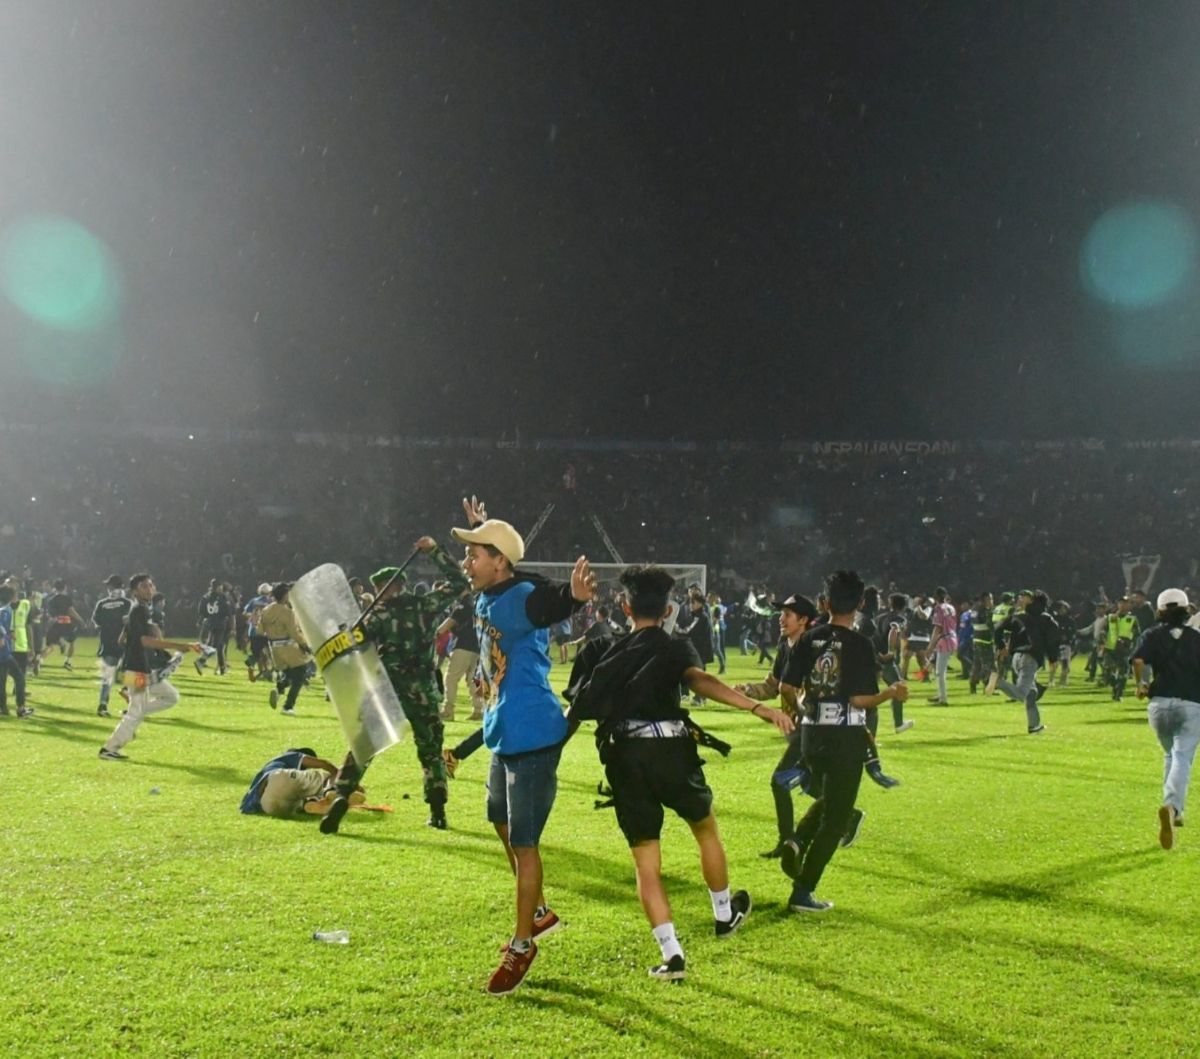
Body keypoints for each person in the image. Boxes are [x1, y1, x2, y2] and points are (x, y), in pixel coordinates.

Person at [564, 565, 793, 981]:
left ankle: (672, 955)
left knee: (646, 860)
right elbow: (701, 681)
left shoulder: (600, 649)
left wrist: (543, 755)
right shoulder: (674, 647)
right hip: (672, 750)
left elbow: (575, 712)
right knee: (705, 830)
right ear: (669, 608)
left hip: (624, 757)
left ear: (624, 605)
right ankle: (724, 915)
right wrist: (758, 708)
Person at [452, 495, 594, 996]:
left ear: (499, 562)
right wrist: (481, 530)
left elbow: (544, 598)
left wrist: (573, 598)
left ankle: (522, 944)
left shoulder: (521, 596)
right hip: (502, 730)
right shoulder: (492, 591)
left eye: (474, 554)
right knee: (499, 819)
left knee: (524, 844)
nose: (466, 562)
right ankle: (536, 910)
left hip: (532, 733)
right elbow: (513, 576)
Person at [780, 570, 909, 912]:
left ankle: (795, 840)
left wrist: (799, 713)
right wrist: (891, 693)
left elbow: (786, 688)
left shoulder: (809, 639)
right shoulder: (860, 645)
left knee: (828, 799)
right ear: (862, 603)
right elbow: (859, 700)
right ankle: (802, 892)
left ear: (824, 602)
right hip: (845, 737)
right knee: (836, 818)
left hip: (811, 734)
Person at [321, 538, 469, 833]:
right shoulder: (426, 605)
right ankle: (437, 810)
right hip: (424, 690)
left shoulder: (375, 616)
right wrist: (434, 551)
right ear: (402, 585)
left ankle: (341, 795)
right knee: (430, 749)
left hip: (385, 691)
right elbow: (458, 581)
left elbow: (351, 653)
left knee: (364, 746)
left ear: (381, 589)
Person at [736, 593, 820, 857]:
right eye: (781, 614)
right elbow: (773, 686)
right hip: (795, 728)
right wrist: (747, 689)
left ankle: (787, 842)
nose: (780, 619)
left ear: (804, 620)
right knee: (812, 785)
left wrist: (801, 711)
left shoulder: (814, 648)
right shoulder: (786, 646)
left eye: (787, 614)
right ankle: (848, 816)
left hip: (812, 728)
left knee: (779, 781)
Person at [99, 573, 203, 761]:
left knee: (171, 697)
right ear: (135, 591)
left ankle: (131, 715)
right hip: (135, 669)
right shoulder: (139, 610)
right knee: (136, 711)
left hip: (140, 668)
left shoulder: (139, 610)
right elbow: (145, 641)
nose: (150, 588)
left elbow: (122, 639)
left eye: (151, 585)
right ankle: (109, 748)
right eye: (145, 586)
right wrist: (180, 646)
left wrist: (150, 628)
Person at [1133, 588, 1200, 850]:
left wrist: (1141, 684)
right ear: (1186, 610)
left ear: (1160, 610)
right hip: (1191, 703)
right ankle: (1172, 806)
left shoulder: (1152, 634)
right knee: (1182, 757)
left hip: (1159, 705)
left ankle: (1175, 811)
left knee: (1170, 755)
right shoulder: (1196, 638)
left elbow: (1138, 660)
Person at [994, 591, 1058, 734]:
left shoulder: (1018, 615)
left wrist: (1001, 646)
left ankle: (1034, 726)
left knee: (1032, 693)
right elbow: (1052, 640)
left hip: (1016, 658)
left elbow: (998, 628)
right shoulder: (1047, 619)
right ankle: (997, 682)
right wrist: (1053, 659)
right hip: (1031, 658)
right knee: (1021, 694)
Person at [240, 747, 348, 817]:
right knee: (327, 775)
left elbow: (244, 808)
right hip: (279, 778)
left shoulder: (261, 775)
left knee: (300, 802)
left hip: (267, 806)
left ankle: (311, 803)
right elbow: (324, 764)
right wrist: (343, 777)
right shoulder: (289, 755)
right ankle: (333, 790)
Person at [258, 583, 311, 715]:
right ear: (284, 595)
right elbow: (294, 633)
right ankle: (288, 706)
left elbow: (259, 630)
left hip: (274, 648)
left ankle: (279, 688)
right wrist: (305, 645)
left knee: (289, 674)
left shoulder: (265, 610)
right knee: (300, 675)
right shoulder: (288, 612)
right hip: (289, 647)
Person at [92, 574, 133, 718]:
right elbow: (129, 622)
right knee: (131, 675)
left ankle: (103, 705)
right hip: (125, 644)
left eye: (109, 585)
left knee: (107, 677)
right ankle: (132, 706)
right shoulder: (128, 603)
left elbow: (96, 622)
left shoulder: (102, 603)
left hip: (107, 644)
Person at [438, 594, 484, 722]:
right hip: (478, 646)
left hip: (462, 645)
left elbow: (448, 624)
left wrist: (435, 632)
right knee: (473, 679)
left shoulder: (462, 605)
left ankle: (448, 710)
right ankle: (479, 710)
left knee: (451, 678)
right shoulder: (478, 603)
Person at [0, 585, 31, 718]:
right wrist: (2, 637)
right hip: (4, 653)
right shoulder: (5, 610)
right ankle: (20, 708)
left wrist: (8, 635)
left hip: (4, 651)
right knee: (19, 677)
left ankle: (3, 709)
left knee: (1, 681)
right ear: (10, 597)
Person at [40, 579, 84, 671]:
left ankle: (39, 661)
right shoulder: (66, 598)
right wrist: (80, 620)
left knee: (50, 646)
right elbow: (71, 611)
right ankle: (68, 661)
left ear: (54, 588)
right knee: (71, 643)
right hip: (66, 623)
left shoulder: (50, 599)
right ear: (64, 587)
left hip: (55, 623)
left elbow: (49, 614)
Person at [926, 587, 957, 705]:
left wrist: (930, 646)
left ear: (936, 597)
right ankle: (940, 694)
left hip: (944, 640)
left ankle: (943, 698)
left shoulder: (938, 608)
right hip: (952, 637)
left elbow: (937, 628)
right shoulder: (951, 607)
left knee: (940, 672)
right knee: (938, 670)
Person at [195, 579, 233, 675]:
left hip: (209, 623)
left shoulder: (205, 597)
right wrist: (231, 625)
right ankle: (201, 661)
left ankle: (222, 668)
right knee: (215, 646)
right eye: (220, 586)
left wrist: (203, 620)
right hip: (219, 624)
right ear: (217, 587)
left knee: (219, 646)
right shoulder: (222, 597)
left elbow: (201, 611)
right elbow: (228, 612)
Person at [969, 592, 995, 694]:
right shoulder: (986, 611)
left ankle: (973, 685)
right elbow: (990, 625)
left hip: (976, 639)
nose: (992, 601)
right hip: (985, 640)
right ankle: (987, 686)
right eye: (990, 599)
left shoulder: (974, 609)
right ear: (985, 599)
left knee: (977, 664)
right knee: (987, 664)